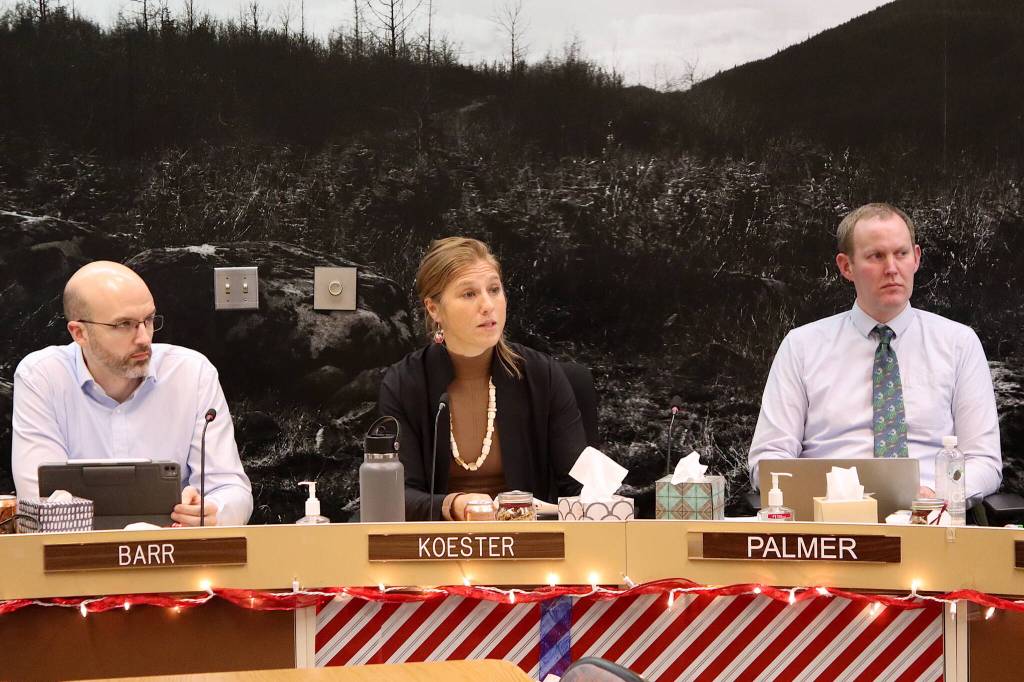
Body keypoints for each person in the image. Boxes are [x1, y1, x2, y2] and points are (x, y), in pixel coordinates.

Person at [748, 203, 1002, 503]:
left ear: (916, 258)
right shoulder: (801, 346)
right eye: (876, 256)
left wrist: (940, 496)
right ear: (846, 266)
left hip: (932, 516)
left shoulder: (959, 343)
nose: (892, 268)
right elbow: (769, 458)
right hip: (829, 524)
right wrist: (821, 498)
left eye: (901, 253)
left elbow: (983, 461)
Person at [12, 261, 253, 526]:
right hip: (78, 559)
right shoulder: (42, 376)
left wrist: (212, 512)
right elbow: (40, 502)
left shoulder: (192, 373)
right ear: (79, 332)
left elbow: (231, 488)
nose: (144, 338)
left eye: (148, 320)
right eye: (124, 324)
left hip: (177, 556)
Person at [378, 237, 586, 521]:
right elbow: (394, 495)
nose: (488, 305)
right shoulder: (405, 383)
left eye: (494, 289)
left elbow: (582, 488)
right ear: (434, 309)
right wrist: (454, 505)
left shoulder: (541, 376)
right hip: (435, 549)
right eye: (469, 294)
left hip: (530, 547)